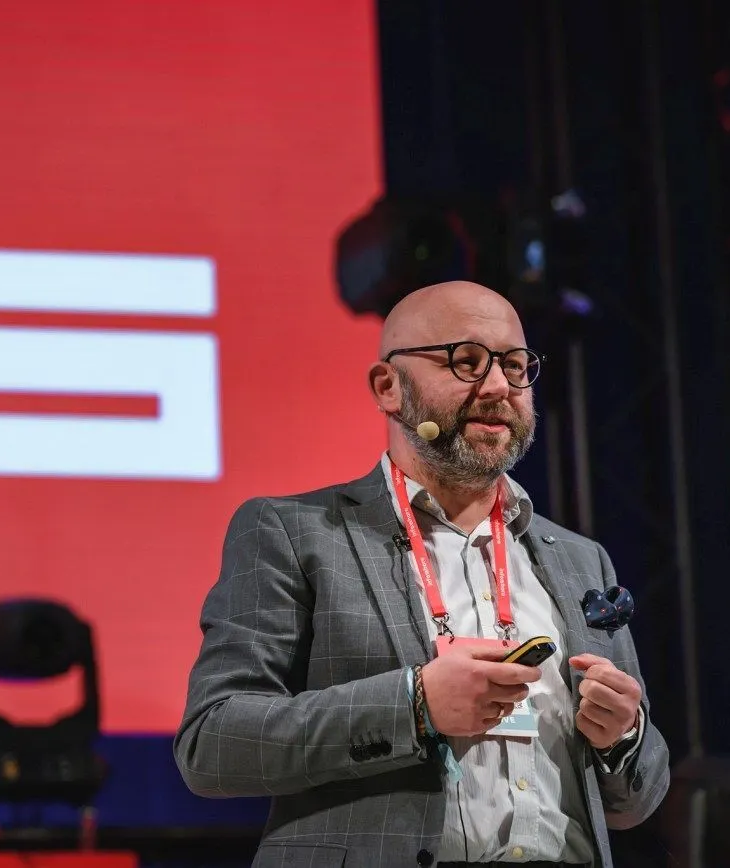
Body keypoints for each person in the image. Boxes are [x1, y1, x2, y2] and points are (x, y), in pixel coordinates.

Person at [175, 281, 669, 867]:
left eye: (515, 366)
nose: (497, 386)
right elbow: (213, 743)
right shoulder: (293, 532)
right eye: (466, 361)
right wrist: (415, 704)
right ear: (389, 387)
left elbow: (635, 800)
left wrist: (623, 736)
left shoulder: (580, 558)